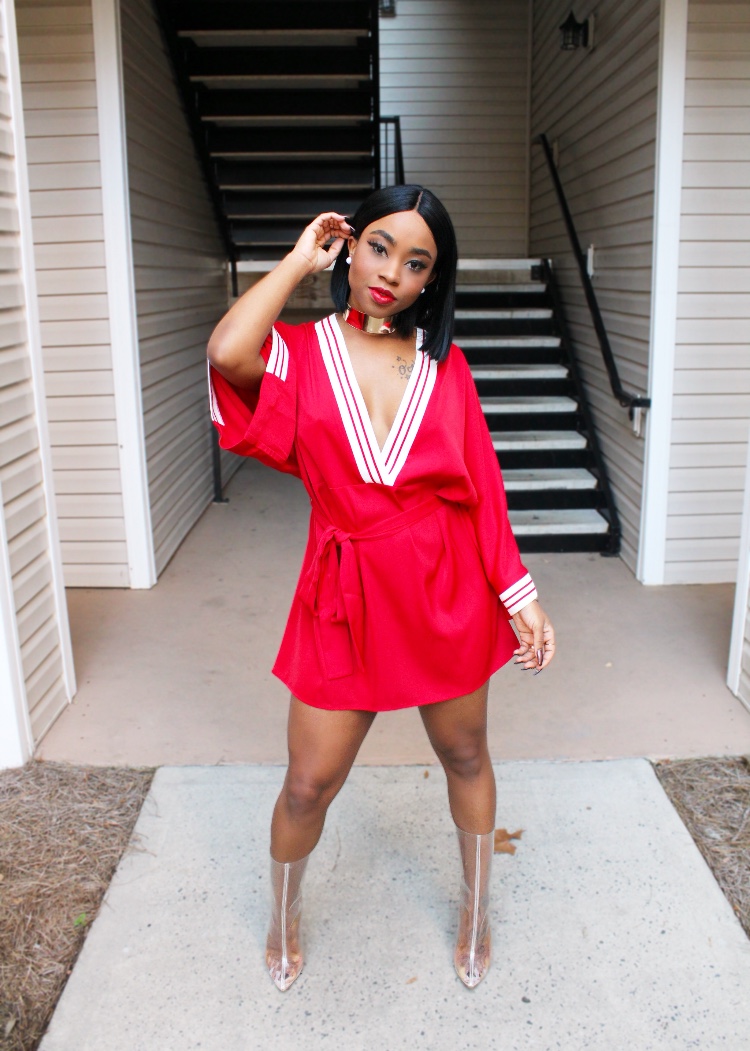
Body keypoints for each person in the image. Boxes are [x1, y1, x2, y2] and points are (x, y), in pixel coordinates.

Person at [206, 185, 556, 992]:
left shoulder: (444, 365)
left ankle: (475, 914)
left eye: (417, 262)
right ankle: (283, 916)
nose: (393, 272)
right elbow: (227, 352)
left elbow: (481, 488)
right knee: (307, 783)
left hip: (443, 586)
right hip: (344, 591)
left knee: (464, 752)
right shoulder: (302, 351)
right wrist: (298, 261)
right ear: (350, 246)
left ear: (433, 279)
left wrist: (518, 594)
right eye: (379, 247)